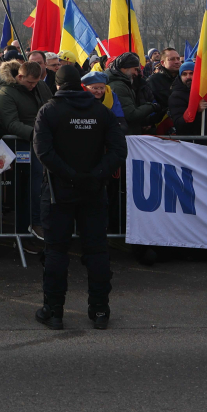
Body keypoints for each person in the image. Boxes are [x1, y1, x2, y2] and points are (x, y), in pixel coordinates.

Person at [32, 63, 127, 330]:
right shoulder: (101, 111)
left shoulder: (49, 111)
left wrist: (72, 175)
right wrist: (96, 174)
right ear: (81, 85)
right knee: (97, 251)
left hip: (59, 193)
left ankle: (54, 311)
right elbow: (119, 150)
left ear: (58, 85)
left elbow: (43, 152)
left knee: (56, 252)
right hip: (93, 191)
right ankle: (99, 310)